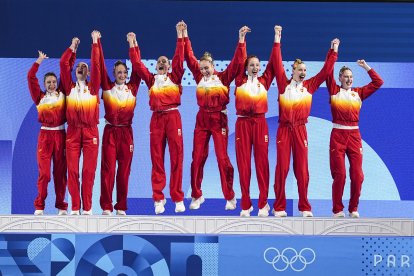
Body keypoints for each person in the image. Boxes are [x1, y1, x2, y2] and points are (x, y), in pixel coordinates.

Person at [272, 25, 338, 217]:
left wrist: (333, 51)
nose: (303, 72)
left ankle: (305, 207)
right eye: (300, 69)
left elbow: (326, 71)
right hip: (284, 130)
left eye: (305, 70)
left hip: (301, 130)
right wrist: (277, 37)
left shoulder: (309, 86)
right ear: (292, 71)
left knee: (302, 170)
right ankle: (279, 207)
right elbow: (276, 62)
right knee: (282, 169)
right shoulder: (283, 84)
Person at [182, 23, 246, 211]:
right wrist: (185, 34)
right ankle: (196, 194)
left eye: (206, 68)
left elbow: (237, 63)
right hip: (202, 119)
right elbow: (188, 56)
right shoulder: (198, 77)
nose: (203, 71)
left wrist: (241, 40)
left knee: (221, 158)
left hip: (219, 119)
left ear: (213, 65)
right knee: (198, 157)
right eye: (201, 69)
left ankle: (230, 196)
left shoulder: (223, 78)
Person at [133, 22, 186, 214]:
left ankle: (178, 197)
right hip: (156, 119)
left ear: (170, 66)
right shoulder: (151, 79)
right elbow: (138, 65)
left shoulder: (176, 77)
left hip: (173, 117)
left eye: (165, 61)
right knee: (157, 159)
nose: (162, 63)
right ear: (155, 67)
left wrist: (179, 35)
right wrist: (134, 44)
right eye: (159, 62)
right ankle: (158, 198)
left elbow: (180, 58)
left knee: (176, 157)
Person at [327, 59, 384, 218]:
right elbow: (327, 72)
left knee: (358, 175)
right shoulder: (334, 91)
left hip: (354, 136)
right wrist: (334, 51)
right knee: (340, 175)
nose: (349, 79)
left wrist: (366, 67)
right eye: (345, 76)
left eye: (351, 77)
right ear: (340, 78)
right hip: (337, 135)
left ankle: (353, 208)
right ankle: (337, 209)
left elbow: (378, 82)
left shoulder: (358, 93)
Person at [234, 26, 278, 217]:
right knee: (244, 165)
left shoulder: (265, 80)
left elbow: (274, 63)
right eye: (251, 65)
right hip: (243, 124)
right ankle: (245, 204)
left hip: (260, 124)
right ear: (246, 67)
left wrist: (277, 38)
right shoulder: (239, 80)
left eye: (257, 65)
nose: (255, 68)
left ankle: (263, 204)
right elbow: (239, 60)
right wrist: (241, 39)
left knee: (262, 164)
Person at [98, 32, 141, 216]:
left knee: (123, 172)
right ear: (114, 74)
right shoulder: (107, 87)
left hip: (126, 134)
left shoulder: (133, 87)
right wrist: (97, 42)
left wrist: (133, 44)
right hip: (110, 132)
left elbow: (138, 66)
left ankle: (121, 206)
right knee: (107, 171)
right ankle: (106, 206)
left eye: (124, 72)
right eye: (119, 72)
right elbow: (99, 65)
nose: (122, 75)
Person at [59, 31, 101, 215]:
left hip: (91, 132)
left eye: (85, 67)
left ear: (89, 72)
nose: (81, 69)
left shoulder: (94, 87)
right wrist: (72, 48)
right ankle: (75, 206)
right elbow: (63, 64)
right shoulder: (68, 87)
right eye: (78, 67)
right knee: (73, 171)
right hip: (73, 132)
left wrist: (94, 42)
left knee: (89, 172)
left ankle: (88, 208)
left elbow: (97, 65)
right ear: (75, 71)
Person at [27, 50, 68, 215]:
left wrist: (72, 49)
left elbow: (66, 68)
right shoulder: (39, 98)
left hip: (61, 135)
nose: (52, 84)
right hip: (45, 137)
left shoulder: (63, 95)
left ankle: (60, 205)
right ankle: (39, 205)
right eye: (48, 82)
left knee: (60, 173)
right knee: (44, 174)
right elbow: (30, 77)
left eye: (54, 82)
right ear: (44, 85)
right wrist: (39, 60)